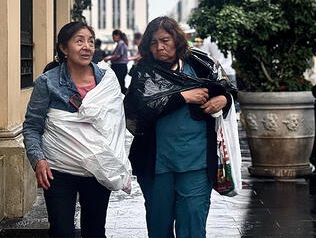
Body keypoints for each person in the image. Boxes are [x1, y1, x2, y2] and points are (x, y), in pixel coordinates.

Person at [124, 16, 237, 237]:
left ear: (177, 39)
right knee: (159, 224)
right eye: (154, 43)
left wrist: (224, 100)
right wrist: (182, 97)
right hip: (156, 164)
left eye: (165, 40)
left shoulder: (200, 64)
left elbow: (227, 89)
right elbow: (139, 109)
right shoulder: (143, 72)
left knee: (193, 222)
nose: (160, 47)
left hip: (196, 161)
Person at [23, 22, 126, 237]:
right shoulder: (47, 82)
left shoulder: (107, 80)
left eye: (90, 41)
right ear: (63, 48)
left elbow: (116, 124)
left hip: (98, 169)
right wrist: (38, 160)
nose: (87, 46)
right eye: (79, 41)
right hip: (58, 170)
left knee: (95, 231)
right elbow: (32, 126)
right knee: (62, 231)